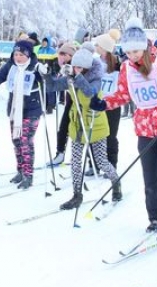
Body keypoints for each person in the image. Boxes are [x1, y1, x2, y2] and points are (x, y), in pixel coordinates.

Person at [88, 17, 157, 241]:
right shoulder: (126, 67)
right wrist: (104, 103)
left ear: (145, 46)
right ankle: (154, 217)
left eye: (137, 50)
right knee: (149, 174)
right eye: (129, 52)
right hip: (144, 126)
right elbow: (124, 94)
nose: (133, 55)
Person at [57, 45, 120, 209]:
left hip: (95, 125)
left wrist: (76, 78)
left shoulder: (96, 79)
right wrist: (45, 77)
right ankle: (76, 194)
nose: (76, 69)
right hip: (77, 125)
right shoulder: (73, 77)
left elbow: (89, 92)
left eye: (80, 67)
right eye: (75, 66)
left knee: (101, 161)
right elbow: (53, 86)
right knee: (76, 162)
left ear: (87, 67)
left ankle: (116, 182)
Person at [0, 39, 47, 190]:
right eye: (16, 54)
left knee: (26, 142)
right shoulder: (11, 66)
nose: (17, 57)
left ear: (29, 55)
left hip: (32, 109)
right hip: (15, 110)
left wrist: (42, 78)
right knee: (16, 141)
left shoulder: (35, 67)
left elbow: (49, 82)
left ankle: (28, 175)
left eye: (21, 54)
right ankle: (21, 170)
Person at [92, 31, 122, 171]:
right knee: (95, 134)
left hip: (113, 105)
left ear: (104, 47)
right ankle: (95, 163)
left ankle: (112, 163)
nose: (96, 47)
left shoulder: (118, 63)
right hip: (98, 103)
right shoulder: (96, 62)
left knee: (110, 135)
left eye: (98, 45)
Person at [48, 41, 77, 166]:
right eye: (60, 53)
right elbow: (57, 82)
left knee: (77, 129)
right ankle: (60, 153)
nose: (62, 56)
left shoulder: (77, 65)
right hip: (70, 100)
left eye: (64, 54)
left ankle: (78, 156)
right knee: (63, 127)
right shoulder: (63, 65)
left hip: (80, 102)